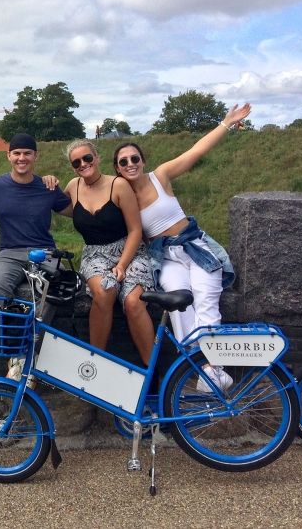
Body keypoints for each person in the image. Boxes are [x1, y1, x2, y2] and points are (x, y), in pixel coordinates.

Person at [114, 103, 251, 391]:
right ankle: (204, 369)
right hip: (166, 258)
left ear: (142, 159)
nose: (130, 164)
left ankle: (214, 371)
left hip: (194, 248)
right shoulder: (121, 196)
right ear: (117, 168)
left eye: (134, 158)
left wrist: (225, 123)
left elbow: (196, 152)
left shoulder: (160, 176)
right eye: (123, 162)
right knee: (178, 308)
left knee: (205, 302)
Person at [0, 132, 71, 380]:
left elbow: (76, 210)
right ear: (9, 156)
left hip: (44, 251)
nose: (21, 158)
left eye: (27, 153)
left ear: (35, 156)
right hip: (9, 252)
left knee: (53, 289)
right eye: (17, 153)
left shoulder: (48, 187)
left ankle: (30, 351)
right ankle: (15, 354)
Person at [58, 140, 155, 364]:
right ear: (73, 167)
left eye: (87, 158)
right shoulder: (73, 186)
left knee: (133, 302)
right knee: (105, 291)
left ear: (97, 158)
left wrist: (121, 265)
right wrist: (47, 183)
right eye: (77, 162)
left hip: (130, 250)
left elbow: (135, 230)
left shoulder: (118, 185)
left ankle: (151, 371)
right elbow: (54, 204)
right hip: (95, 254)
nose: (83, 164)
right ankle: (95, 363)